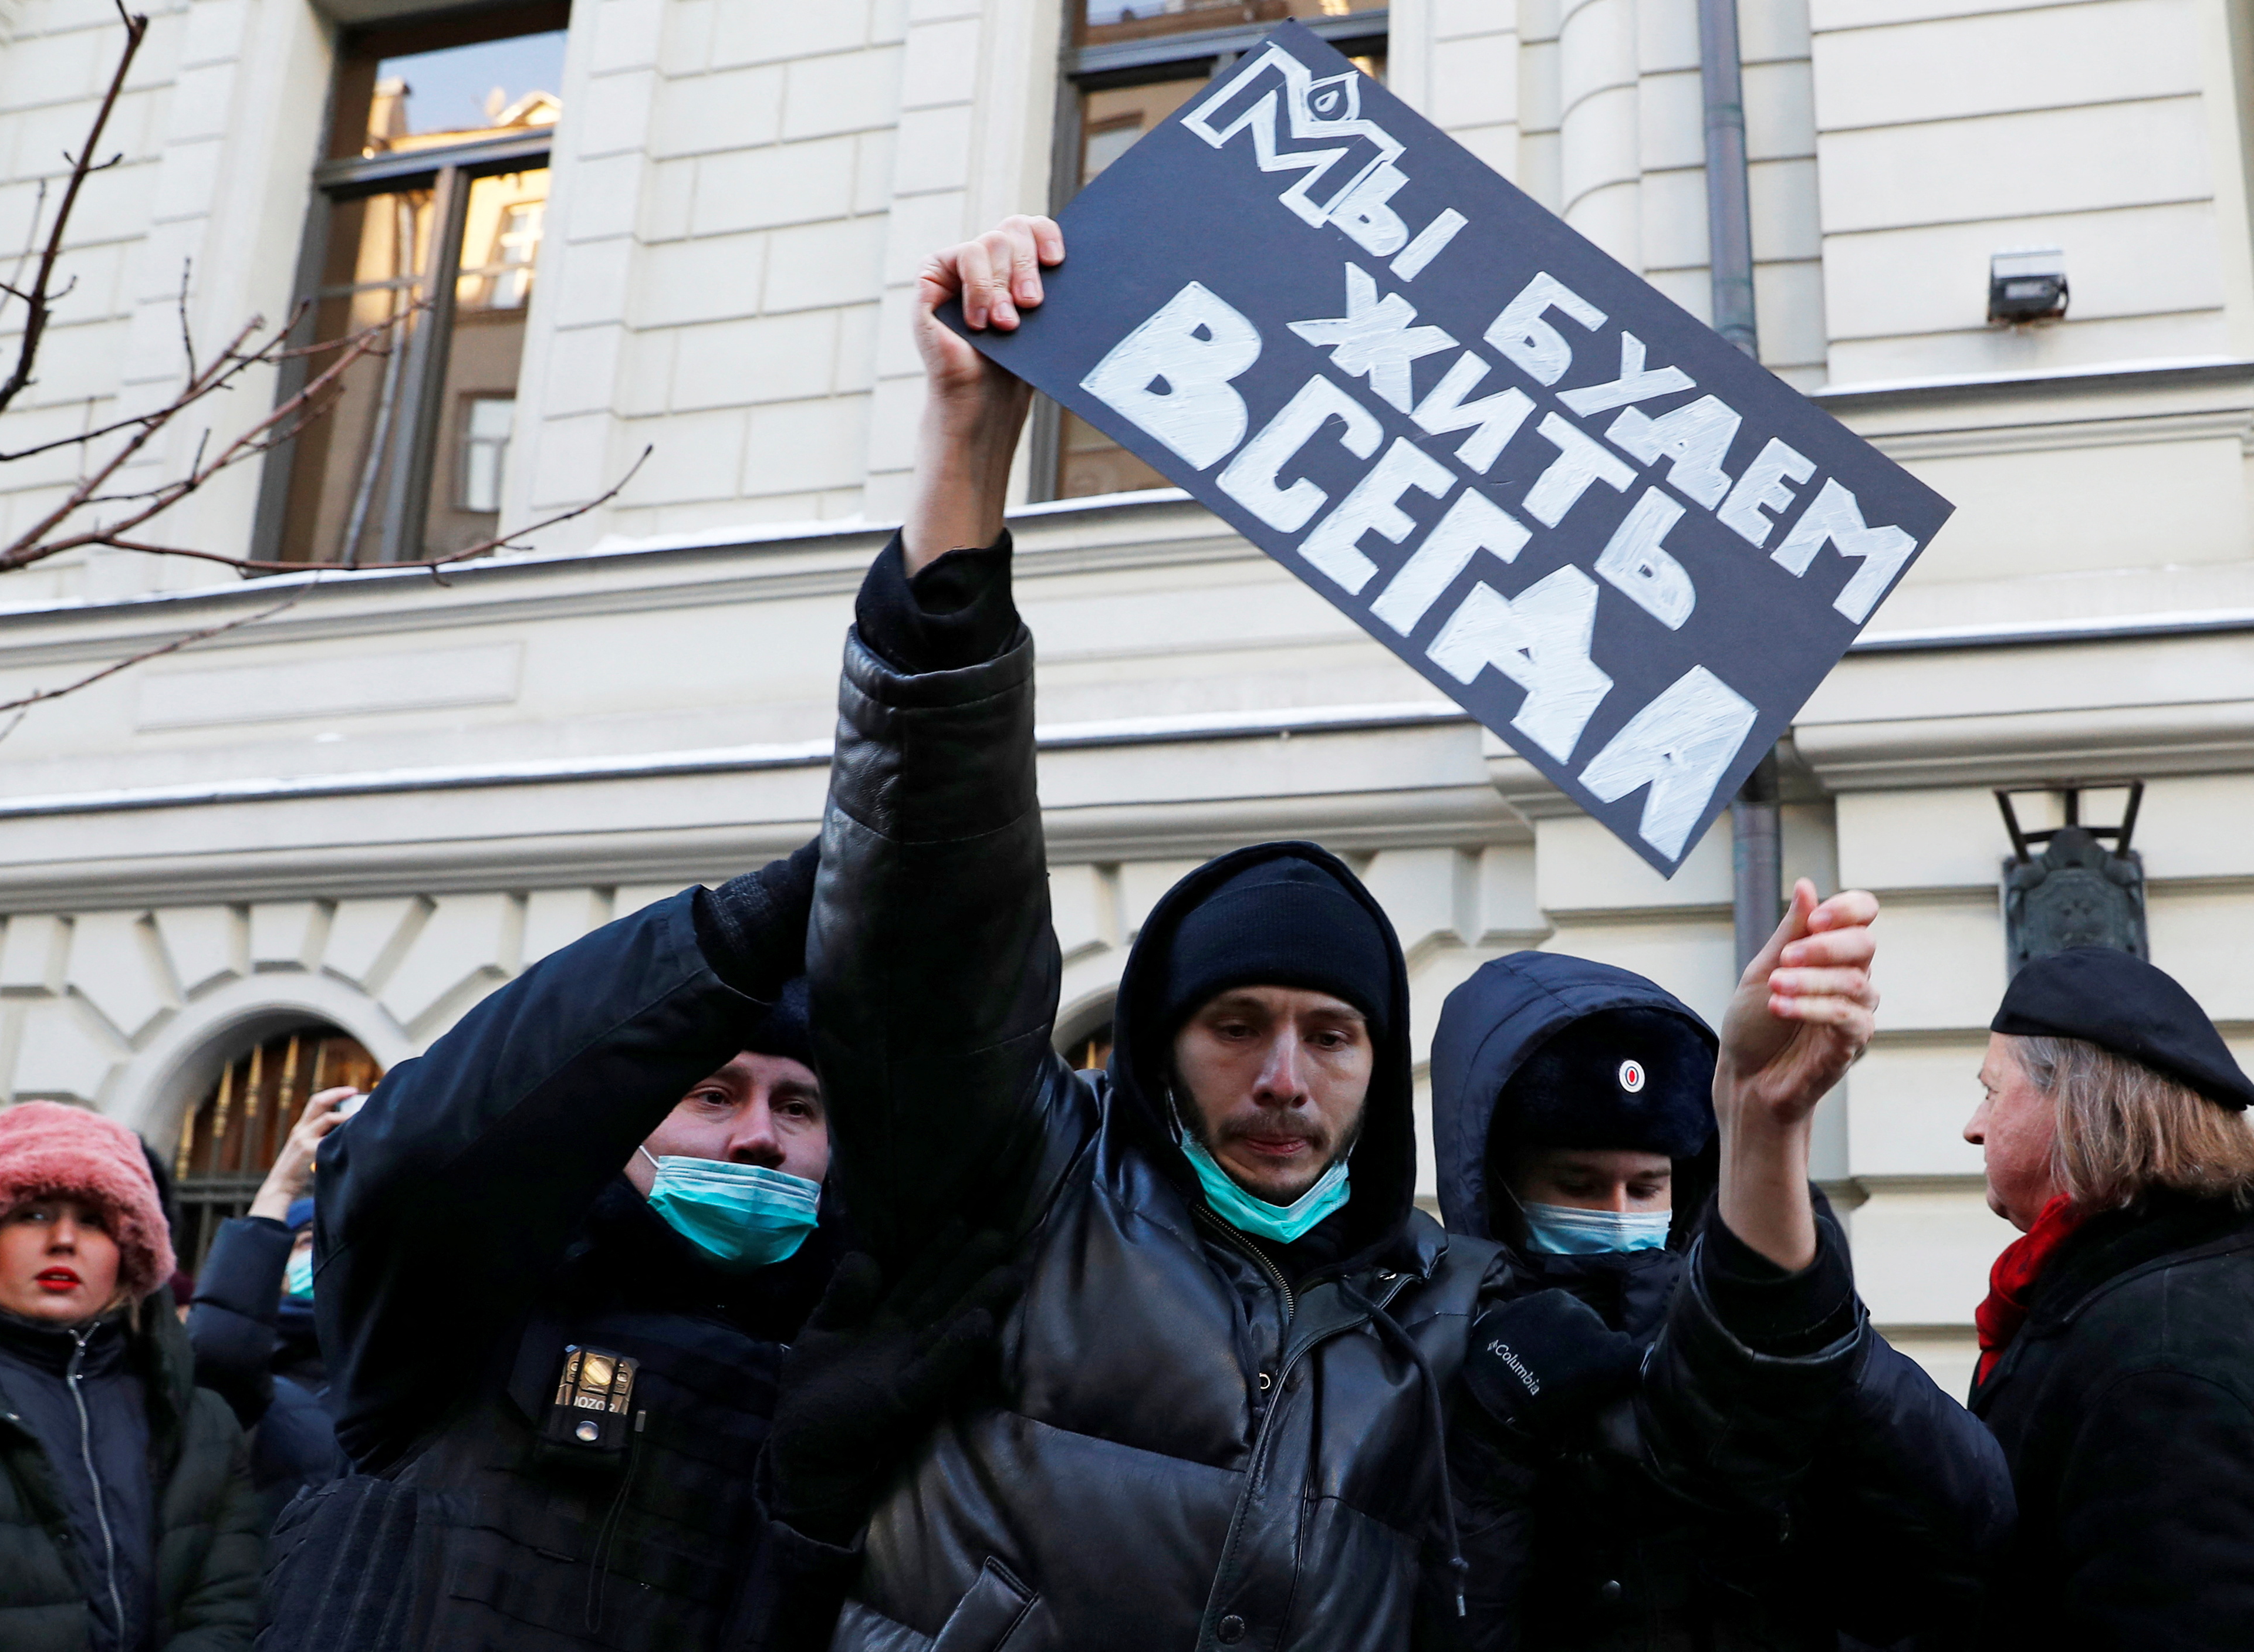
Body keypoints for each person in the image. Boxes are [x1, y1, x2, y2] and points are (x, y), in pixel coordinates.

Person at [782, 212, 1888, 1649]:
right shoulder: (1026, 1203)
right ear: (1153, 1045)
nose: (1284, 1080)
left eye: (1329, 1032)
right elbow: (927, 913)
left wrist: (1755, 1122)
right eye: (1233, 1027)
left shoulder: (1456, 1313)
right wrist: (966, 462)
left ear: (1382, 1064)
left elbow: (1712, 1453)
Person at [265, 848, 841, 1651]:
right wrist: (735, 934)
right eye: (712, 1094)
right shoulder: (469, 1312)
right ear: (619, 1118)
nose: (757, 1137)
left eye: (797, 1106)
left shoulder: (859, 1366)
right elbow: (409, 1153)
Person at [1430, 910, 2015, 1648]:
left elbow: (1966, 1532)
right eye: (1577, 1183)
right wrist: (1490, 1436)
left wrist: (1798, 1320)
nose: (1618, 1213)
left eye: (1645, 1187)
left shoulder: (1729, 1317)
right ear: (1496, 1182)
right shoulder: (1434, 1345)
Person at [1960, 944, 2254, 1647]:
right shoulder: (2144, 1288)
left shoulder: (2155, 1358)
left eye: (1992, 1091)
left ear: (2074, 1104)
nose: (1972, 1125)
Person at [0, 1100, 263, 1651]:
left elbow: (228, 1606)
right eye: (31, 1213)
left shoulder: (198, 1421)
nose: (64, 1239)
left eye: (94, 1220)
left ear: (130, 1254)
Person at [187, 1085, 354, 1526]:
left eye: (332, 1241)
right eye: (304, 1241)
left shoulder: (384, 1367)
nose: (319, 1253)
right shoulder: (257, 1372)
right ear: (274, 1263)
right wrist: (281, 1186)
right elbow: (218, 1350)